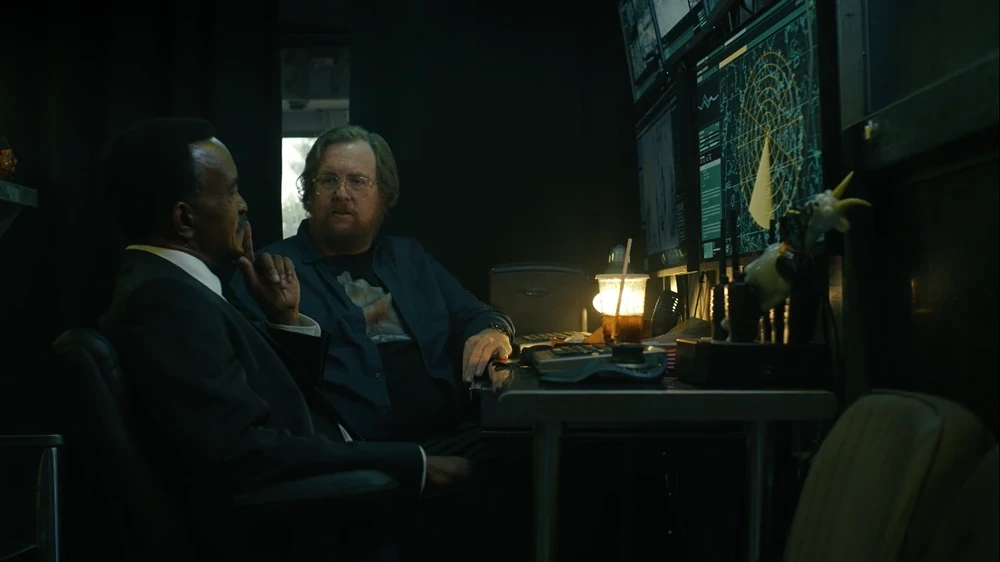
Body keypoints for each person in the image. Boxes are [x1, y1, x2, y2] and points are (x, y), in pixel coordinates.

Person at [97, 117, 471, 561]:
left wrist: (283, 319)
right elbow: (242, 453)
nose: (243, 204)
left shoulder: (175, 289)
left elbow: (268, 402)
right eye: (231, 192)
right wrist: (413, 464)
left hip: (338, 466)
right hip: (321, 509)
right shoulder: (165, 301)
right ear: (184, 219)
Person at [228, 125, 527, 560]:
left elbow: (473, 313)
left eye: (357, 181)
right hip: (355, 454)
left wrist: (493, 331)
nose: (341, 193)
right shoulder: (270, 271)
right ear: (309, 193)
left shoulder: (409, 257)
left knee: (553, 452)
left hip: (448, 433)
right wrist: (285, 320)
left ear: (384, 195)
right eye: (328, 180)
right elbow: (268, 391)